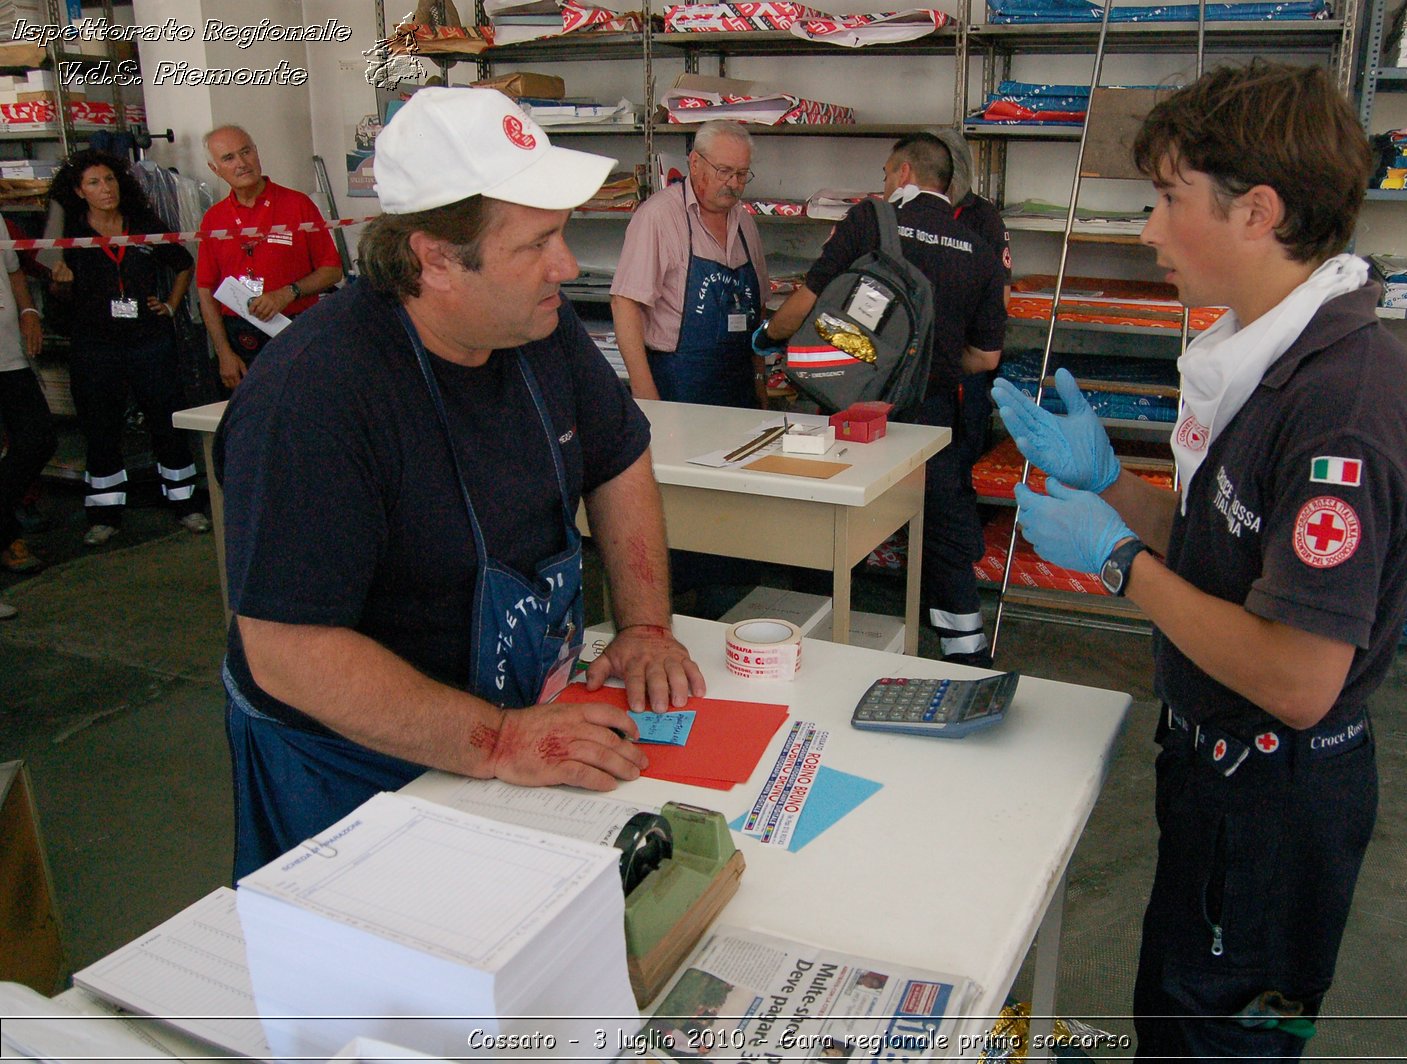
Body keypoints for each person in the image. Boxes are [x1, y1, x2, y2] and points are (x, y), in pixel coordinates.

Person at [992, 61, 1407, 1058]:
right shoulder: (1267, 354)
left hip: (1277, 794)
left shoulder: (1342, 406)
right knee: (1177, 1003)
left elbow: (1299, 677)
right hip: (1216, 764)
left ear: (1257, 212)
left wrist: (1116, 566)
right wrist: (1109, 484)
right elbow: (1220, 551)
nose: (1147, 230)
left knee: (1218, 1034)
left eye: (1166, 199)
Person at [214, 86, 705, 881]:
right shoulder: (315, 397)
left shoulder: (537, 330)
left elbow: (619, 457)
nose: (567, 266)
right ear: (433, 257)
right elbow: (290, 653)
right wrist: (498, 742)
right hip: (353, 763)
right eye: (536, 243)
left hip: (512, 720)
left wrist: (645, 625)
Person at [765, 132, 1007, 665]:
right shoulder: (983, 252)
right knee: (943, 533)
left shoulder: (871, 221)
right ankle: (965, 654)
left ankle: (814, 640)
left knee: (828, 518)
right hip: (935, 417)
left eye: (884, 173)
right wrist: (927, 363)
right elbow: (987, 357)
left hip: (855, 408)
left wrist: (771, 335)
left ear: (903, 174)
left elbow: (806, 305)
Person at [46, 150, 209, 546]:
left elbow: (184, 262)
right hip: (95, 346)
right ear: (79, 192)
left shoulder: (142, 225)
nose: (106, 189)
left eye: (110, 180)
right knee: (101, 430)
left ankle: (185, 504)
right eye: (94, 183)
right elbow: (56, 295)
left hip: (148, 341)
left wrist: (170, 305)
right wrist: (61, 283)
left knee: (167, 422)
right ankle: (105, 515)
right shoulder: (69, 233)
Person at [611, 120, 769, 408]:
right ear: (695, 163)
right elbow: (625, 304)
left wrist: (759, 379)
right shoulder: (658, 216)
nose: (733, 184)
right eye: (724, 171)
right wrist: (645, 393)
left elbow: (756, 311)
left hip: (739, 382)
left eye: (742, 174)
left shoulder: (745, 223)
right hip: (679, 382)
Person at [194, 125, 343, 390]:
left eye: (246, 152)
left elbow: (332, 270)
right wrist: (223, 353)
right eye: (228, 158)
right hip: (240, 337)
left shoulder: (298, 205)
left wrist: (289, 292)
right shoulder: (213, 219)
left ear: (256, 153)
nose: (241, 163)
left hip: (294, 328)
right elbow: (206, 290)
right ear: (215, 169)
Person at [926, 126, 1012, 498]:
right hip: (910, 365)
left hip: (964, 367)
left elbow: (1000, 301)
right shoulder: (902, 212)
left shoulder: (982, 217)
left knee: (956, 470)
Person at [0, 212, 57, 615]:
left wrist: (28, 312)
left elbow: (14, 269)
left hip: (8, 355)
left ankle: (2, 530)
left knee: (38, 438)